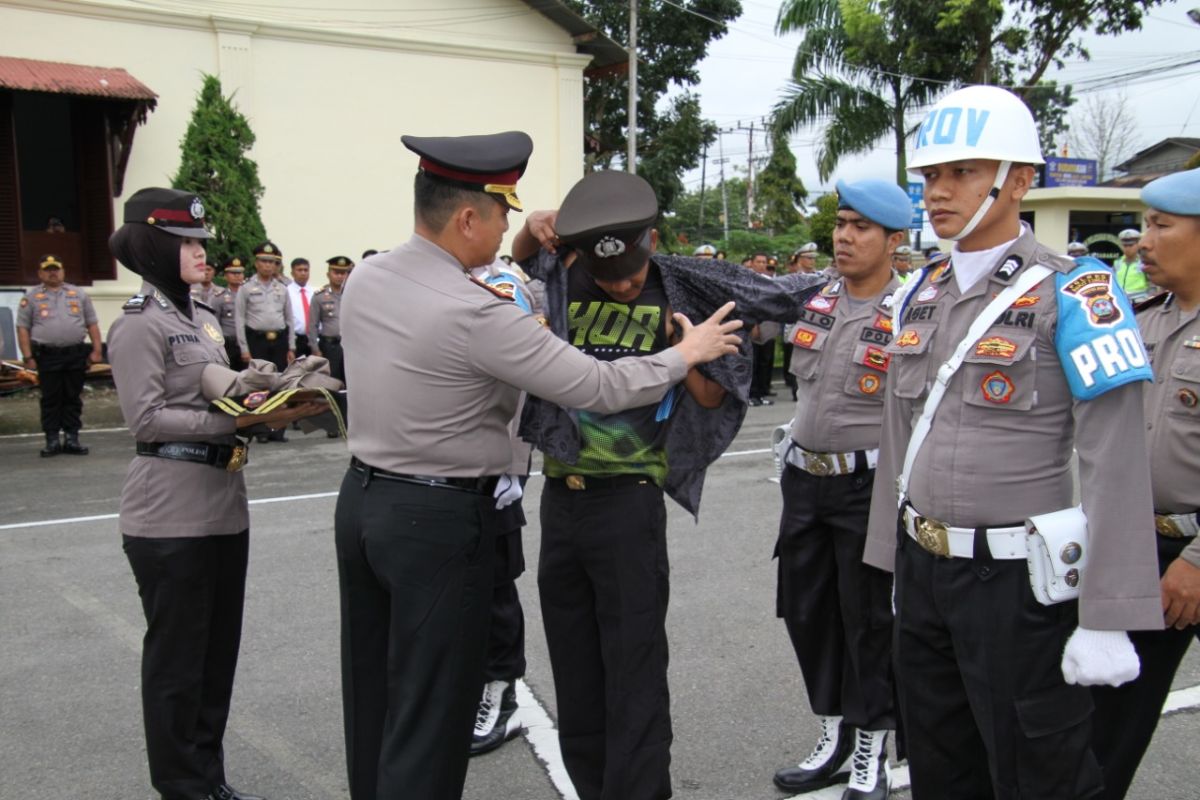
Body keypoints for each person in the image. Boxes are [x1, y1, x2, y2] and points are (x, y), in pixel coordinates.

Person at [333, 131, 743, 800]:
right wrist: (685, 352)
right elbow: (598, 386)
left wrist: (528, 239)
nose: (505, 232)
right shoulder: (477, 310)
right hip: (440, 520)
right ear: (468, 218)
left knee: (376, 692)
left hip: (365, 503)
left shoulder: (371, 276)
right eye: (499, 215)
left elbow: (524, 266)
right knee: (435, 712)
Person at [862, 85, 1163, 799]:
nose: (938, 192)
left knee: (1040, 774)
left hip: (1019, 586)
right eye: (932, 175)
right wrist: (889, 564)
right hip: (925, 569)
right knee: (940, 767)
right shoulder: (918, 291)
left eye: (962, 172)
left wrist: (1107, 615)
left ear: (1018, 180)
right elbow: (899, 438)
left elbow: (1115, 457)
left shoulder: (1076, 291)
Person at [513, 170, 829, 800]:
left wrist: (689, 351)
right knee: (576, 673)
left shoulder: (683, 288)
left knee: (633, 676)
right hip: (561, 501)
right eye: (609, 281)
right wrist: (530, 224)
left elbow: (713, 396)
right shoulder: (563, 272)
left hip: (628, 502)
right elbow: (519, 256)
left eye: (630, 277)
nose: (622, 287)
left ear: (650, 243)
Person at [107, 187, 318, 800]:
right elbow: (145, 420)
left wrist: (269, 389)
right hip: (168, 514)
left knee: (214, 657)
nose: (203, 252)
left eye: (201, 241)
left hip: (222, 507)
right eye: (189, 242)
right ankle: (183, 785)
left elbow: (215, 378)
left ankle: (209, 780)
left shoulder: (196, 316)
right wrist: (238, 421)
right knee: (178, 663)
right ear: (155, 245)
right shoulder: (138, 324)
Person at [772, 179, 909, 800]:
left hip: (868, 485)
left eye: (861, 228)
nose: (844, 237)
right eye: (841, 223)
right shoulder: (817, 300)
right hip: (804, 482)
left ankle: (870, 751)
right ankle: (832, 731)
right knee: (808, 612)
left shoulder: (912, 312)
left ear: (894, 241)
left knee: (868, 621)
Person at [1090, 167, 1200, 800]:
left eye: (1161, 225)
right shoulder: (1138, 318)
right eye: (1146, 225)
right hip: (1139, 552)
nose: (1144, 241)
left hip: (1194, 553)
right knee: (1108, 721)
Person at [16, 254, 103, 456]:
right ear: (40, 273)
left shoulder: (78, 294)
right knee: (51, 399)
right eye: (48, 269)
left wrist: (97, 350)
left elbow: (92, 323)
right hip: (47, 356)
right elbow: (22, 329)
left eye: (56, 269)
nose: (52, 273)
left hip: (74, 354)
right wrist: (28, 357)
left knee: (72, 397)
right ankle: (52, 440)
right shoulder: (31, 298)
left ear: (63, 271)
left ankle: (72, 438)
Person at [235, 242, 294, 442]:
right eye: (264, 261)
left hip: (279, 340)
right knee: (259, 386)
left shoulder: (282, 289)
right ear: (256, 262)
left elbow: (289, 319)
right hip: (256, 340)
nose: (268, 265)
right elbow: (239, 319)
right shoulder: (246, 288)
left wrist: (291, 346)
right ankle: (260, 428)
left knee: (279, 384)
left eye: (272, 262)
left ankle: (278, 429)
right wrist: (244, 348)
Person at [309, 256, 353, 385]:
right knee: (332, 381)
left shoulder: (351, 294)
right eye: (336, 272)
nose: (340, 276)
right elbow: (313, 325)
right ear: (328, 274)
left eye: (343, 273)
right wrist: (315, 349)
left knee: (349, 380)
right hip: (329, 346)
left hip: (348, 345)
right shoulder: (320, 296)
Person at [747, 252, 776, 406]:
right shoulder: (747, 280)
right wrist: (753, 324)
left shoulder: (769, 282)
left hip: (768, 325)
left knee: (766, 361)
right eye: (758, 262)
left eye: (764, 262)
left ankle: (763, 393)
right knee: (754, 361)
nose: (762, 265)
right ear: (752, 263)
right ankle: (752, 394)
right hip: (753, 324)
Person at [219, 259, 246, 368]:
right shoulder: (219, 297)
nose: (237, 276)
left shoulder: (249, 295)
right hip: (228, 343)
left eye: (239, 273)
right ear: (225, 276)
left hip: (247, 342)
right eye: (233, 273)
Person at [1114, 228, 1153, 301]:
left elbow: (1152, 284)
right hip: (1121, 300)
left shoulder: (1144, 262)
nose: (1128, 249)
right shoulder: (1117, 262)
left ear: (1138, 245)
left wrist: (1150, 299)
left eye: (1131, 245)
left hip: (1139, 301)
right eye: (1125, 246)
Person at [286, 258, 313, 357]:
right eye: (299, 270)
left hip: (312, 339)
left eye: (306, 270)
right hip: (295, 339)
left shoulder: (313, 292)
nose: (303, 273)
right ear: (292, 273)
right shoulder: (286, 292)